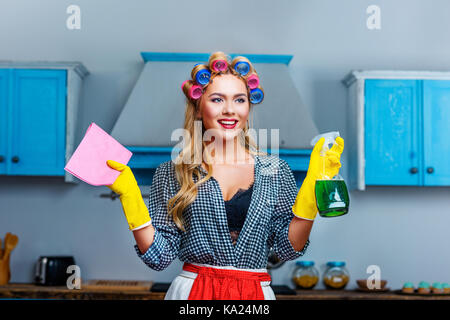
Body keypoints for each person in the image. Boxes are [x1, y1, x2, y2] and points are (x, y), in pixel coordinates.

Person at [106, 51, 344, 300]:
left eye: (239, 100)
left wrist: (311, 192)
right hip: (192, 294)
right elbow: (159, 257)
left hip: (255, 295)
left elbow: (288, 248)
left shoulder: (276, 171)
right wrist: (131, 196)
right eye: (218, 100)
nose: (230, 110)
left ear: (248, 107)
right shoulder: (172, 172)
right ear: (198, 109)